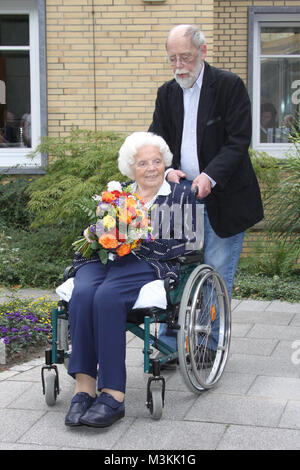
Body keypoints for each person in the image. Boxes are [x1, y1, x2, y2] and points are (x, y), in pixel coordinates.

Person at [64, 131, 198, 428]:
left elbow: (189, 243)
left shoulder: (180, 194)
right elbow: (99, 227)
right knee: (83, 292)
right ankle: (84, 389)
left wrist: (135, 238)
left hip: (149, 262)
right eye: (142, 163)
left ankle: (113, 394)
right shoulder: (119, 193)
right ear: (130, 167)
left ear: (165, 163)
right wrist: (98, 234)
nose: (151, 168)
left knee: (107, 297)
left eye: (157, 161)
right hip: (105, 258)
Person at [148, 24, 264, 354]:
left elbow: (239, 141)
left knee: (215, 273)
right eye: (173, 59)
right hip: (180, 199)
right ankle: (170, 344)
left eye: (185, 57)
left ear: (203, 51)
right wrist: (166, 170)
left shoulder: (229, 86)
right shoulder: (166, 93)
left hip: (224, 197)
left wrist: (208, 177)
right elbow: (156, 140)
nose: (179, 66)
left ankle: (208, 345)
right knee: (173, 271)